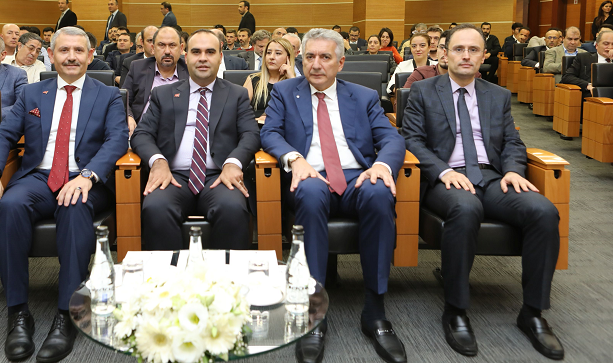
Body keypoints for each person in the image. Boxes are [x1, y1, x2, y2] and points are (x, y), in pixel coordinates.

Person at [402, 24, 564, 360]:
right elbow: (412, 141)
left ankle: (532, 312)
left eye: (473, 50)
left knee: (544, 211)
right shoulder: (424, 91)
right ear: (444, 54)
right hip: (445, 179)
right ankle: (456, 310)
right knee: (466, 208)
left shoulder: (498, 95)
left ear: (483, 56)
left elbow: (512, 143)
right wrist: (444, 171)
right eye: (458, 49)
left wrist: (513, 172)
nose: (465, 56)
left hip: (491, 178)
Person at [0, 26, 128, 363]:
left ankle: (67, 313)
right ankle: (18, 312)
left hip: (85, 178)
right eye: (64, 51)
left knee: (75, 207)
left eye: (78, 51)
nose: (71, 57)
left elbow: (117, 140)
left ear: (90, 56)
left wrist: (88, 176)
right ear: (52, 55)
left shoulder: (107, 96)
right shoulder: (33, 95)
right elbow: (2, 134)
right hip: (39, 177)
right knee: (11, 204)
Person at [261, 28, 407, 363]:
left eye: (325, 57)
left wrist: (382, 166)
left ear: (340, 63)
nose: (316, 64)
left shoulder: (364, 95)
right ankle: (314, 313)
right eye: (309, 56)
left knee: (380, 192)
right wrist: (295, 159)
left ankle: (375, 310)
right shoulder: (285, 91)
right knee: (310, 194)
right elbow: (269, 132)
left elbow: (391, 138)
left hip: (357, 175)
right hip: (310, 174)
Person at [130, 29, 260, 252]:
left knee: (233, 208)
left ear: (220, 56)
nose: (202, 58)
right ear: (185, 55)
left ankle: (227, 282)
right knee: (156, 207)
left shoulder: (236, 94)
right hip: (173, 175)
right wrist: (158, 162)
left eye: (210, 52)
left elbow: (251, 134)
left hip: (219, 175)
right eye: (196, 52)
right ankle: (168, 281)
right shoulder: (164, 94)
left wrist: (233, 163)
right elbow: (141, 134)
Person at [122, 26, 189, 135]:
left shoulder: (190, 71)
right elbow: (123, 99)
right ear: (153, 48)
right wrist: (129, 117)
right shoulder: (138, 67)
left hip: (180, 134)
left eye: (172, 45)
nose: (167, 51)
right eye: (161, 45)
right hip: (142, 133)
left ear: (181, 48)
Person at [403, 31, 482, 89]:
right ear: (437, 50)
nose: (445, 52)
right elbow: (401, 105)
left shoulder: (473, 75)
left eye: (455, 49)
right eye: (441, 47)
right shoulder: (421, 74)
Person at [242, 38, 296, 118]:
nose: (272, 57)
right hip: (256, 126)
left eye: (278, 53)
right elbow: (240, 110)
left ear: (288, 58)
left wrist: (291, 78)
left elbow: (299, 111)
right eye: (268, 53)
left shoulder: (293, 83)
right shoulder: (253, 79)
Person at [562, 30, 613, 97]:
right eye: (606, 44)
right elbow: (567, 77)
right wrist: (587, 85)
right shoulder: (583, 58)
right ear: (597, 45)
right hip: (590, 97)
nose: (610, 47)